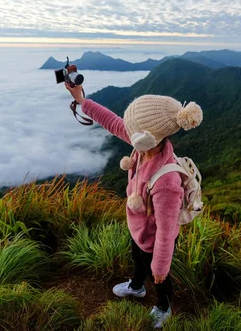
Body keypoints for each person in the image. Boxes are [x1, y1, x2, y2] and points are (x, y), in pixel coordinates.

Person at [65, 83, 203, 328]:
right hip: (139, 228)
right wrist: (81, 100)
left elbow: (166, 232)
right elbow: (112, 121)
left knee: (157, 275)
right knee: (137, 259)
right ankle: (137, 287)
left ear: (148, 136)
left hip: (155, 238)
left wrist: (161, 266)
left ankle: (163, 306)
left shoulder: (166, 182)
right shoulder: (145, 145)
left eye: (132, 128)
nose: (126, 130)